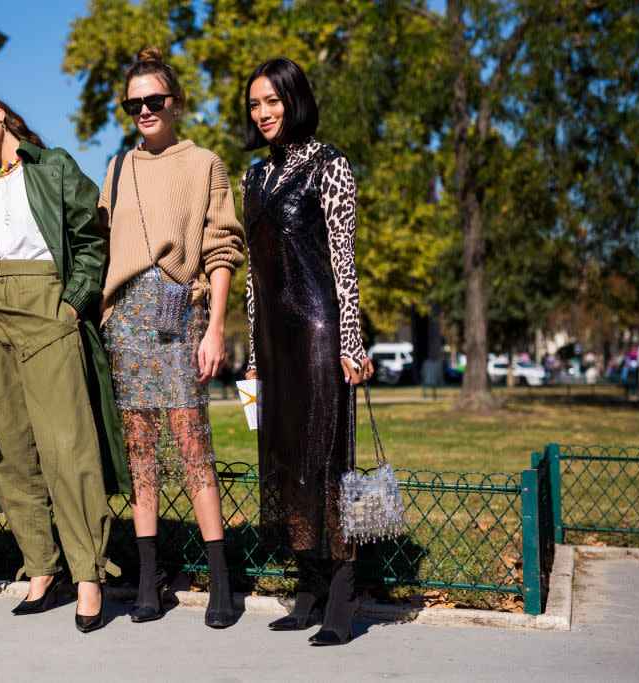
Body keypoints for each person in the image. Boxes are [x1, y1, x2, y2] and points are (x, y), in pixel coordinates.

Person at [0, 89, 131, 634]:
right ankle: (41, 570)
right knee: (11, 451)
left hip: (48, 305)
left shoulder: (53, 167)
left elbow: (91, 238)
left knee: (66, 445)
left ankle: (88, 574)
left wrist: (73, 302)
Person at [99, 47, 246, 629]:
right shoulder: (116, 168)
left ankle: (222, 582)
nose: (144, 110)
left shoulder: (204, 163)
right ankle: (148, 578)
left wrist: (214, 328)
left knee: (192, 446)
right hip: (127, 321)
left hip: (179, 313)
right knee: (141, 456)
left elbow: (222, 247)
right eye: (133, 103)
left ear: (176, 102)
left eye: (154, 100)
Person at [241, 57, 375, 646]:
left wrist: (352, 340)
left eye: (273, 100)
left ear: (295, 101)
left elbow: (343, 263)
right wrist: (251, 354)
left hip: (319, 329)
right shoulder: (253, 178)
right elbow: (251, 274)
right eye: (255, 104)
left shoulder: (331, 166)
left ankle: (343, 594)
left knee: (327, 460)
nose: (264, 113)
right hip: (274, 339)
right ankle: (309, 586)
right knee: (289, 459)